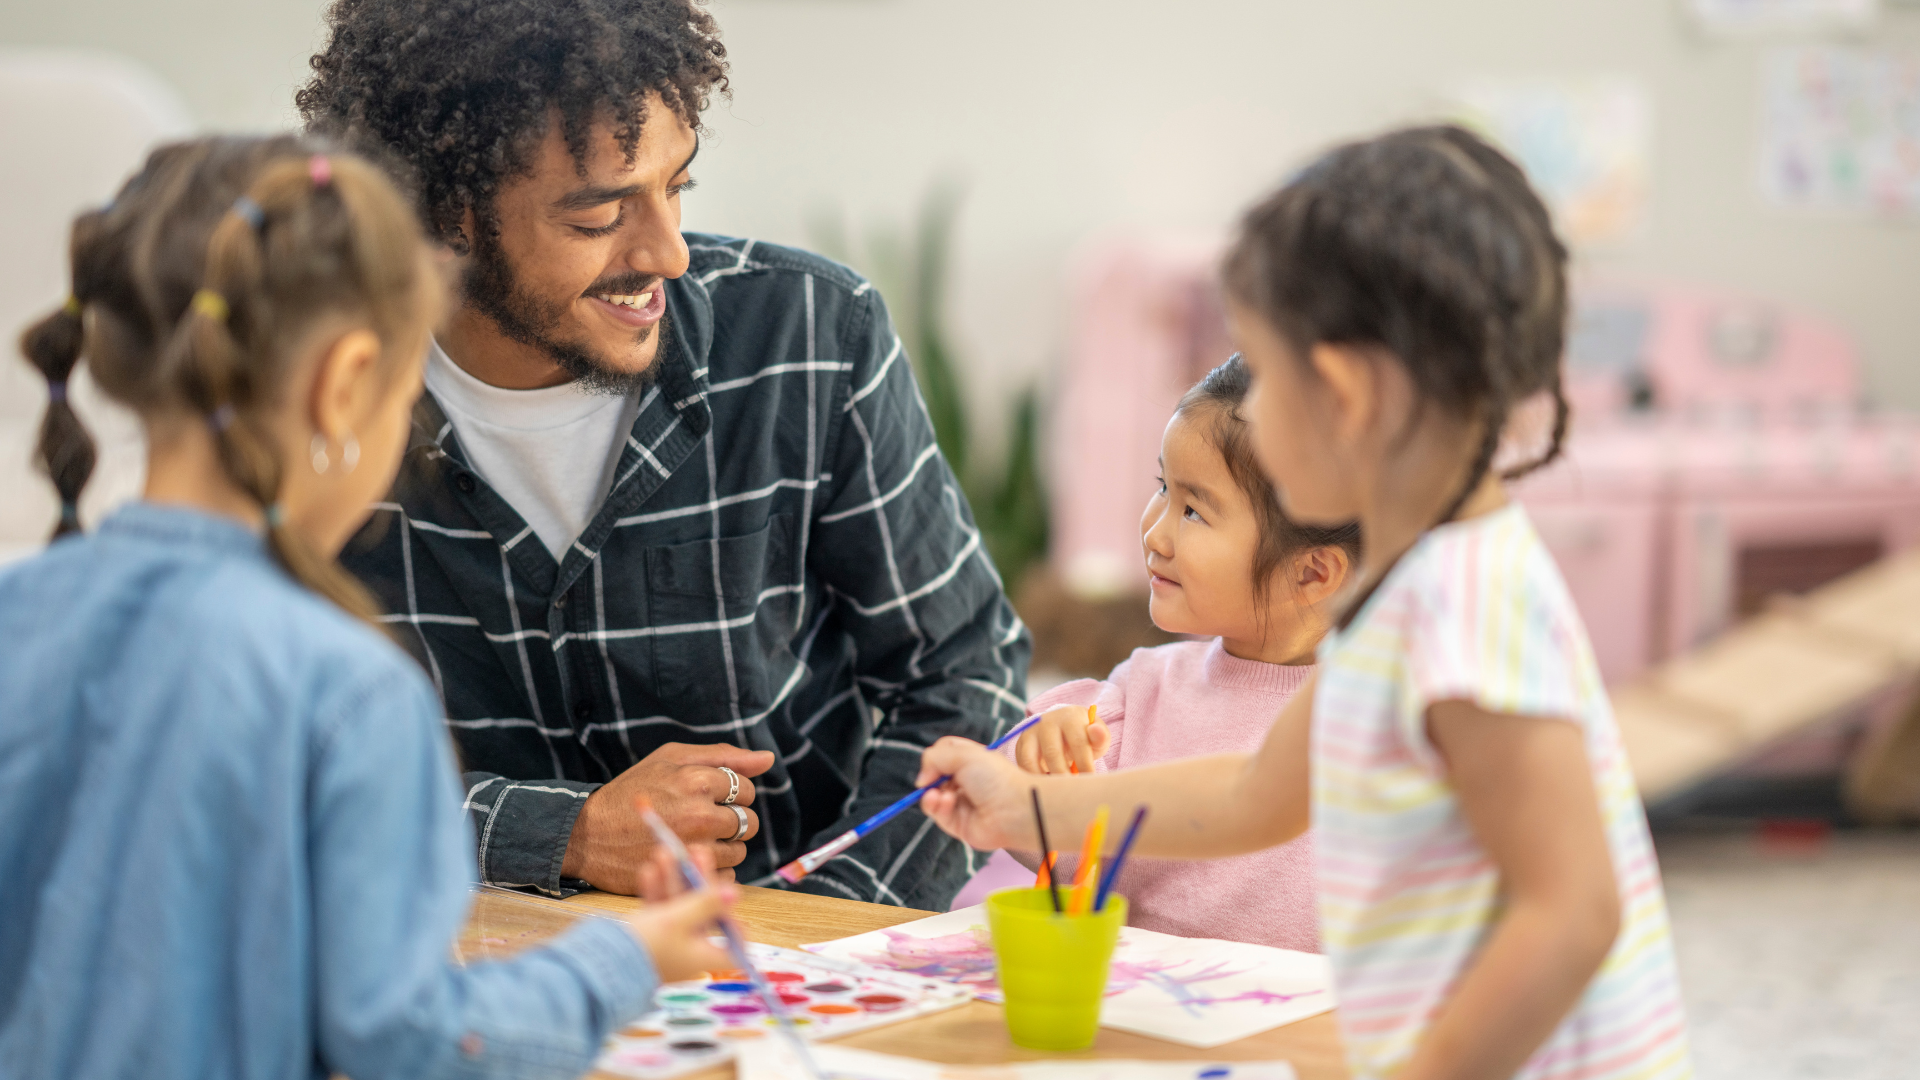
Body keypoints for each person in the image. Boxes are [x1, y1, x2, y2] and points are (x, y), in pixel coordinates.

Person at [916, 126, 1692, 1080]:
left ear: (1342, 393)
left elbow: (1572, 912)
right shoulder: (1406, 587)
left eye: (1265, 372)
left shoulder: (1466, 601)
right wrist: (1027, 810)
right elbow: (1254, 793)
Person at [0, 135, 737, 1080]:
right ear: (347, 385)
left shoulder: (19, 611)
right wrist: (627, 959)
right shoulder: (343, 685)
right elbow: (413, 1040)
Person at [294, 0, 1029, 908]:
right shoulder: (319, 398)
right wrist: (559, 834)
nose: (669, 253)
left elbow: (963, 676)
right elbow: (278, 762)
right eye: (602, 215)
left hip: (792, 976)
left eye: (676, 186)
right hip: (466, 980)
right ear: (452, 216)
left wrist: (830, 927)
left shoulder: (811, 335)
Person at [984, 355, 1355, 951]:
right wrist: (1041, 763)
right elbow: (1054, 851)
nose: (1154, 533)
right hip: (1149, 1022)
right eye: (1163, 487)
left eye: (1193, 510)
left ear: (1312, 572)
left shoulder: (1384, 723)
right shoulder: (1141, 694)